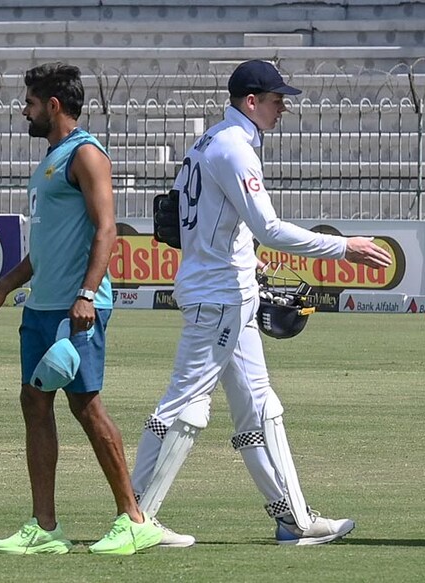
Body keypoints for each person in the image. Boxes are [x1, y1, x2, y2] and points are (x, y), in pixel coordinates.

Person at [129, 60, 392, 546]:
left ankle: (293, 518)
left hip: (228, 288)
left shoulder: (213, 140)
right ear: (251, 101)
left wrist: (245, 257)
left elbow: (212, 220)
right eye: (276, 99)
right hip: (219, 295)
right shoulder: (233, 148)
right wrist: (343, 247)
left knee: (261, 409)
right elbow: (269, 227)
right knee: (185, 407)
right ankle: (135, 517)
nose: (282, 107)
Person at [0, 63, 165, 556]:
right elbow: (46, 246)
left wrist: (86, 294)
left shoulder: (86, 154)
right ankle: (45, 526)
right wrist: (3, 287)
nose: (24, 111)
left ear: (53, 106)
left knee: (86, 405)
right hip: (42, 305)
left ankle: (134, 519)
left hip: (76, 307)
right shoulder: (52, 159)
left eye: (30, 103)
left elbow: (107, 230)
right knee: (34, 403)